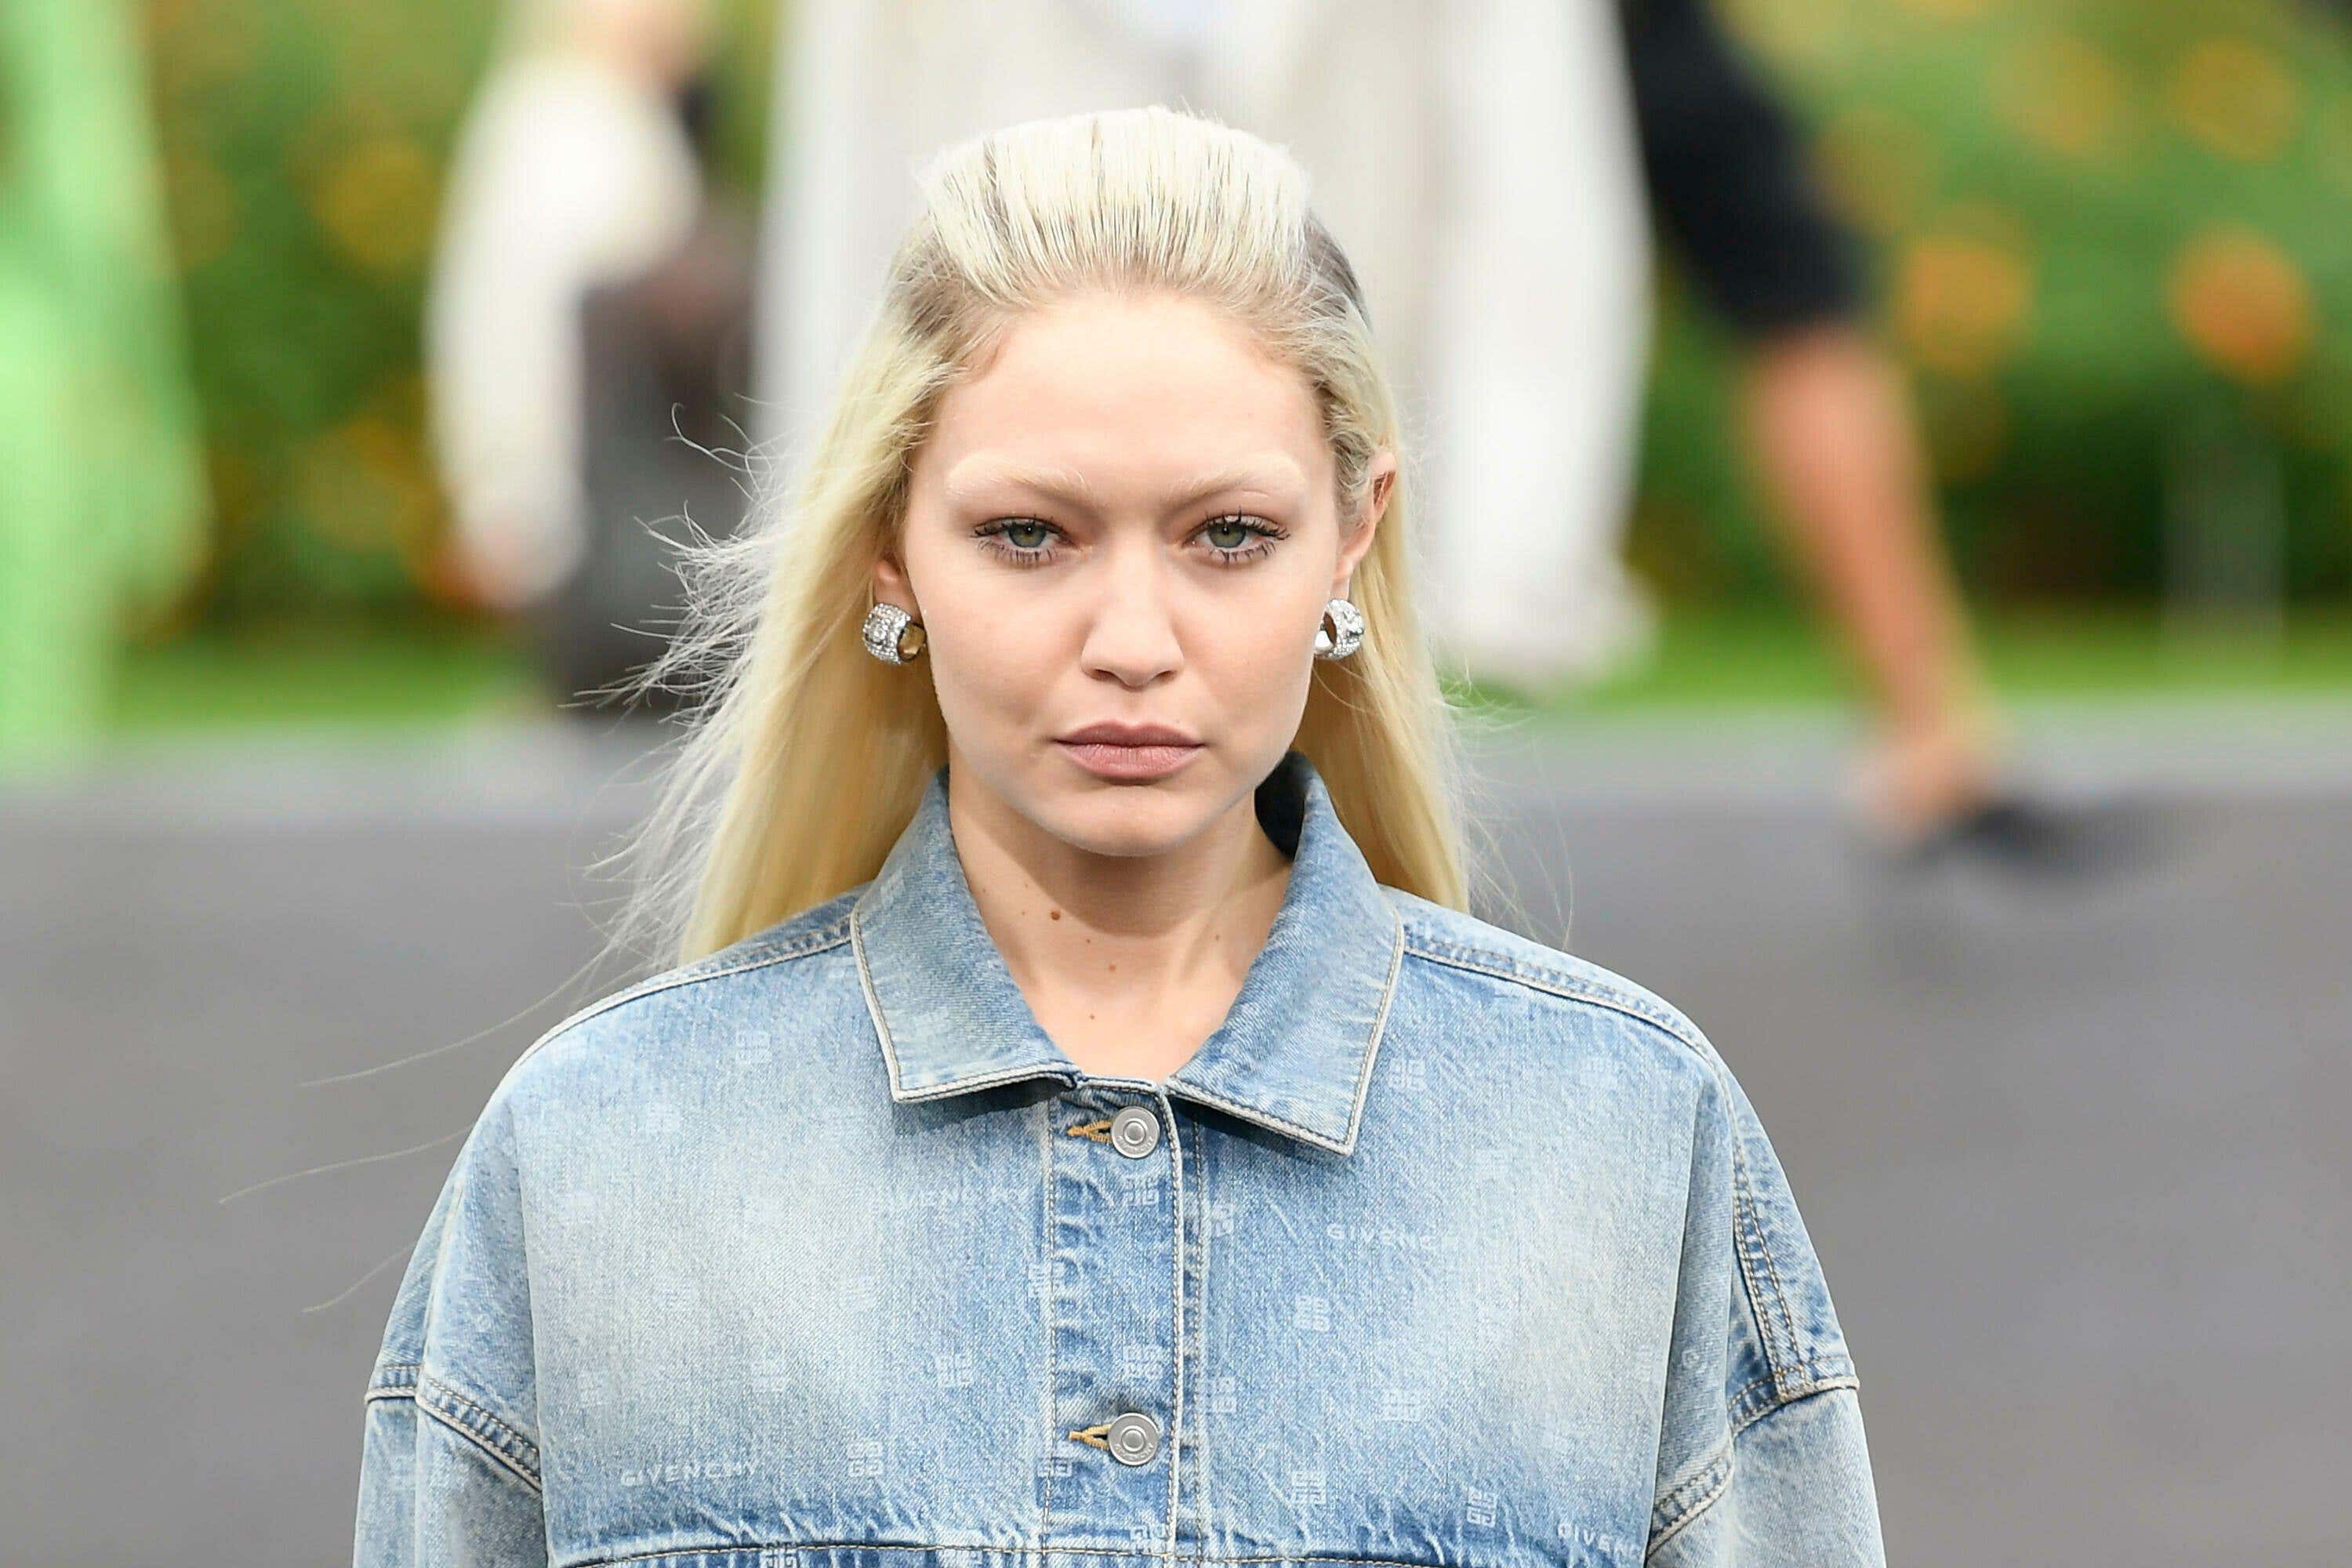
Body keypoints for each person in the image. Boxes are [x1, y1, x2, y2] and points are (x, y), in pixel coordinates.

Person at [353, 107, 1886, 1567]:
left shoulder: (1619, 1137)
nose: (1134, 639)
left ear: (1355, 532)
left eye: (1230, 534)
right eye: (1032, 534)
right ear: (888, 544)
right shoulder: (603, 1155)